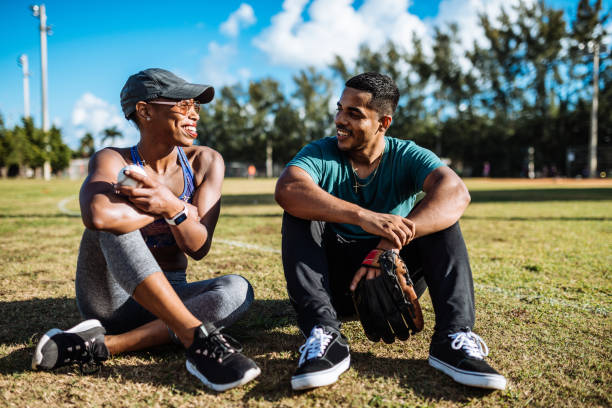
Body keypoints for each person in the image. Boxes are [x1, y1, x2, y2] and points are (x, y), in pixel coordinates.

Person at [31, 68, 260, 392]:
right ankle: (197, 339)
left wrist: (169, 205)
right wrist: (177, 211)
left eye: (196, 105)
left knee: (238, 290)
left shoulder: (205, 161)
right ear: (145, 110)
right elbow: (97, 216)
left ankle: (104, 346)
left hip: (177, 294)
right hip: (112, 300)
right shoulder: (113, 159)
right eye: (183, 105)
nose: (194, 113)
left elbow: (198, 247)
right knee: (113, 225)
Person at [275, 72, 507, 391]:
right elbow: (288, 188)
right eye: (339, 109)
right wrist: (364, 217)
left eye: (353, 114)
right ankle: (324, 333)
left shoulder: (406, 154)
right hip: (335, 286)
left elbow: (456, 192)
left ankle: (453, 338)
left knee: (441, 217)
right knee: (299, 211)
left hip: (391, 275)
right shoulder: (321, 152)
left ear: (383, 123)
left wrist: (388, 244)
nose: (339, 120)